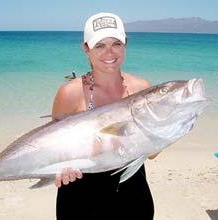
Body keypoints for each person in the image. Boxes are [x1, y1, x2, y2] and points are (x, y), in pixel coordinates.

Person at [52, 12, 158, 220]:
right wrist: (60, 168)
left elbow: (152, 153)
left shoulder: (142, 89)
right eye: (99, 45)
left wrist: (173, 127)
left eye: (116, 43)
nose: (109, 52)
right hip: (79, 199)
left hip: (133, 194)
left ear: (125, 44)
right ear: (86, 48)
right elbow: (56, 149)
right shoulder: (69, 93)